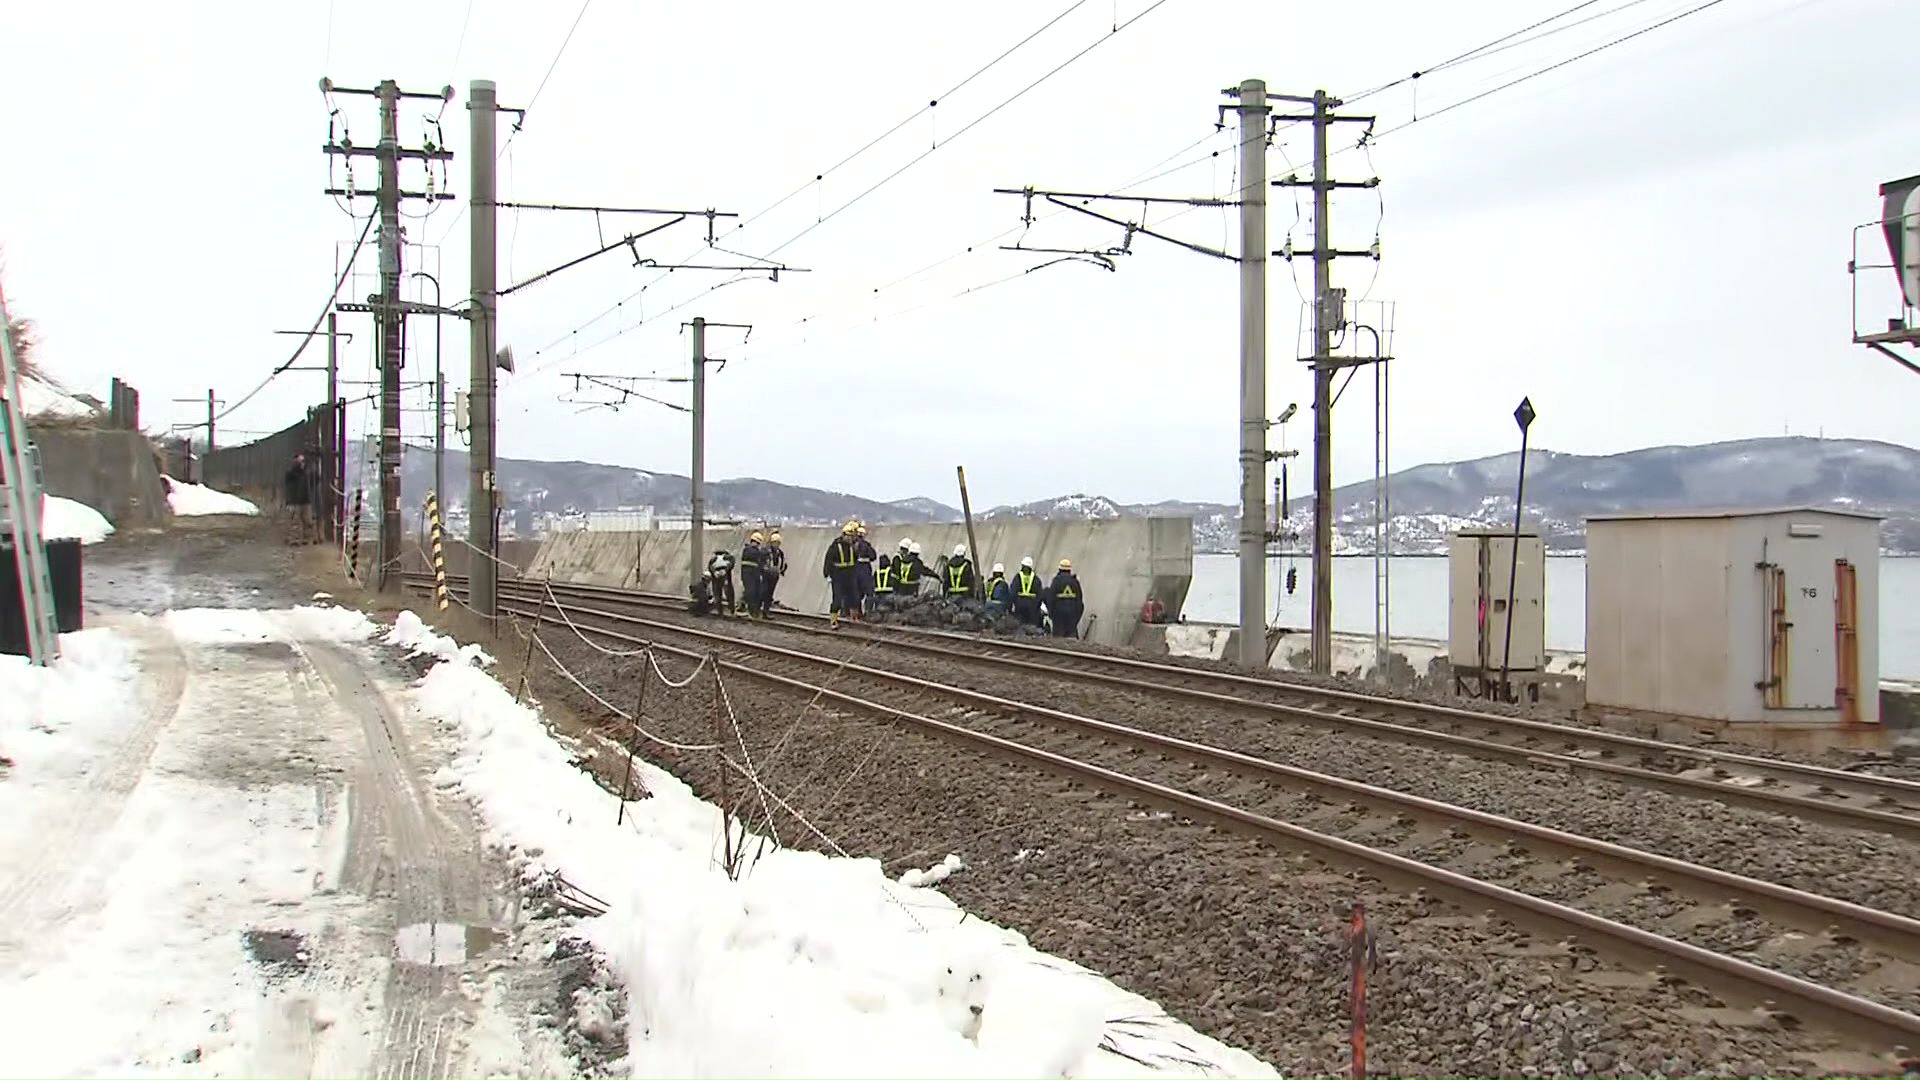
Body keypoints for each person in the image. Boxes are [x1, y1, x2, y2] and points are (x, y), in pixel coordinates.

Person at [823, 520, 860, 627]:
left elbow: (855, 560)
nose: (851, 539)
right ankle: (833, 620)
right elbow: (828, 560)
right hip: (838, 575)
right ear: (844, 535)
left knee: (854, 596)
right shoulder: (835, 546)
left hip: (850, 574)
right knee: (837, 598)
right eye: (849, 536)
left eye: (852, 536)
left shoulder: (853, 546)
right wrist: (827, 574)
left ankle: (854, 617)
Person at [1046, 557, 1084, 638]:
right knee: (1071, 639)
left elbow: (1051, 599)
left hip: (1058, 616)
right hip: (1072, 616)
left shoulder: (1056, 581)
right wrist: (1076, 618)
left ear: (1059, 569)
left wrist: (1051, 614)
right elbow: (1080, 602)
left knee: (1058, 640)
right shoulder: (1075, 582)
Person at [283, 452, 312, 545]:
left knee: (307, 521)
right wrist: (289, 501)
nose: (302, 463)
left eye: (303, 461)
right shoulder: (291, 474)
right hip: (295, 501)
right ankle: (294, 539)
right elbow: (289, 488)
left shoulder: (306, 473)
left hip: (305, 500)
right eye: (300, 461)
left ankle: (305, 539)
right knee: (295, 521)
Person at [758, 532, 786, 617]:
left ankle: (765, 612)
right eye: (775, 542)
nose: (776, 544)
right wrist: (763, 570)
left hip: (775, 575)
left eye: (778, 543)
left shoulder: (780, 553)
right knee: (763, 592)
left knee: (770, 594)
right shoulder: (765, 551)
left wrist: (782, 570)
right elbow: (760, 562)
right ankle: (757, 609)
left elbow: (783, 563)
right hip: (766, 575)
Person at [1011, 555, 1044, 627]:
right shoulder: (1036, 579)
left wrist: (1015, 603)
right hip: (1032, 606)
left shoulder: (1017, 577)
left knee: (1020, 625)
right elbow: (1040, 595)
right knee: (1031, 626)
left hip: (1020, 605)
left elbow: (1013, 592)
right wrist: (1036, 606)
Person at [739, 531, 767, 615]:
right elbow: (756, 555)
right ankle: (746, 609)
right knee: (750, 592)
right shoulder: (748, 550)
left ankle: (754, 611)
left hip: (755, 574)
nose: (756, 544)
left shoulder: (757, 552)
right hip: (748, 575)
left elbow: (760, 563)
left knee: (757, 592)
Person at [853, 524, 877, 614]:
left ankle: (857, 612)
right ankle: (868, 612)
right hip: (865, 570)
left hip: (854, 570)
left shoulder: (852, 545)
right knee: (869, 592)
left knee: (857, 593)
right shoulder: (866, 545)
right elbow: (873, 556)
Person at [707, 548, 737, 616]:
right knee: (728, 593)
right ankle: (731, 610)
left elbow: (710, 567)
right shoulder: (729, 558)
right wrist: (725, 571)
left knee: (717, 593)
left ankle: (720, 611)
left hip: (717, 576)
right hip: (725, 576)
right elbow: (731, 564)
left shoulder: (713, 559)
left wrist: (715, 572)